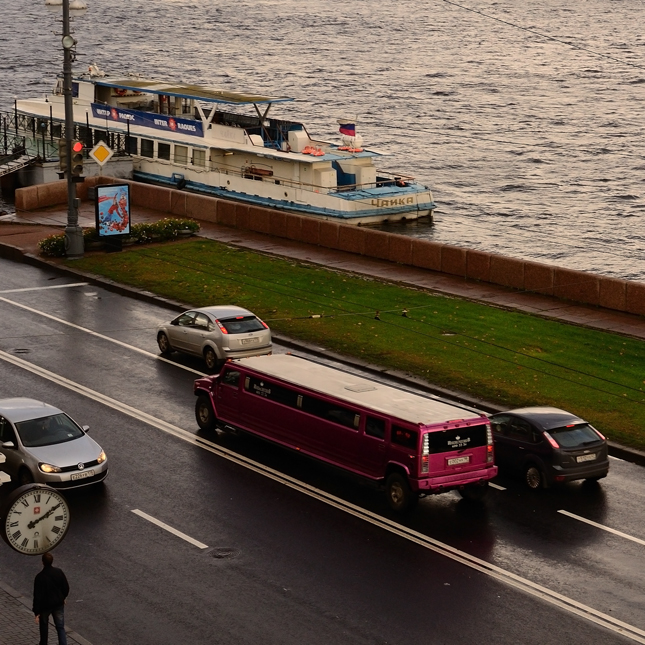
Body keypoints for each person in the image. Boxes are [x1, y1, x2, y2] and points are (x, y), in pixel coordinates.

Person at [33, 551, 69, 645]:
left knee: (44, 627)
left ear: (42, 562)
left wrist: (36, 612)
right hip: (58, 604)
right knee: (60, 627)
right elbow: (66, 587)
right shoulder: (58, 572)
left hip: (45, 606)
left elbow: (37, 596)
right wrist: (62, 597)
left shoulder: (39, 577)